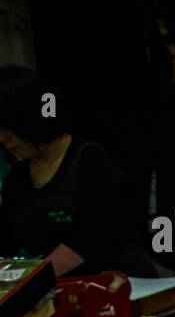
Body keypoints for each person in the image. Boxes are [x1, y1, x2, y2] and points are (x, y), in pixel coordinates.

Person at [0, 65, 159, 277]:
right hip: (60, 292)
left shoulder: (92, 161)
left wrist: (34, 280)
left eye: (7, 128)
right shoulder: (17, 179)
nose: (3, 139)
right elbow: (5, 241)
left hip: (120, 284)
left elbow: (90, 237)